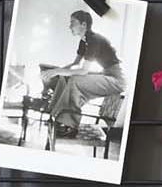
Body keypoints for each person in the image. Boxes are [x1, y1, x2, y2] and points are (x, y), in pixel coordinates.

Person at [39, 9, 126, 138]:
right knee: (65, 78)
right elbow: (75, 64)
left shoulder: (94, 40)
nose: (70, 26)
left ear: (83, 25)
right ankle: (55, 114)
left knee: (75, 80)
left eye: (73, 23)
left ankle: (70, 125)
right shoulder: (84, 41)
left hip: (116, 80)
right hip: (106, 74)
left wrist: (56, 71)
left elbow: (83, 70)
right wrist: (55, 72)